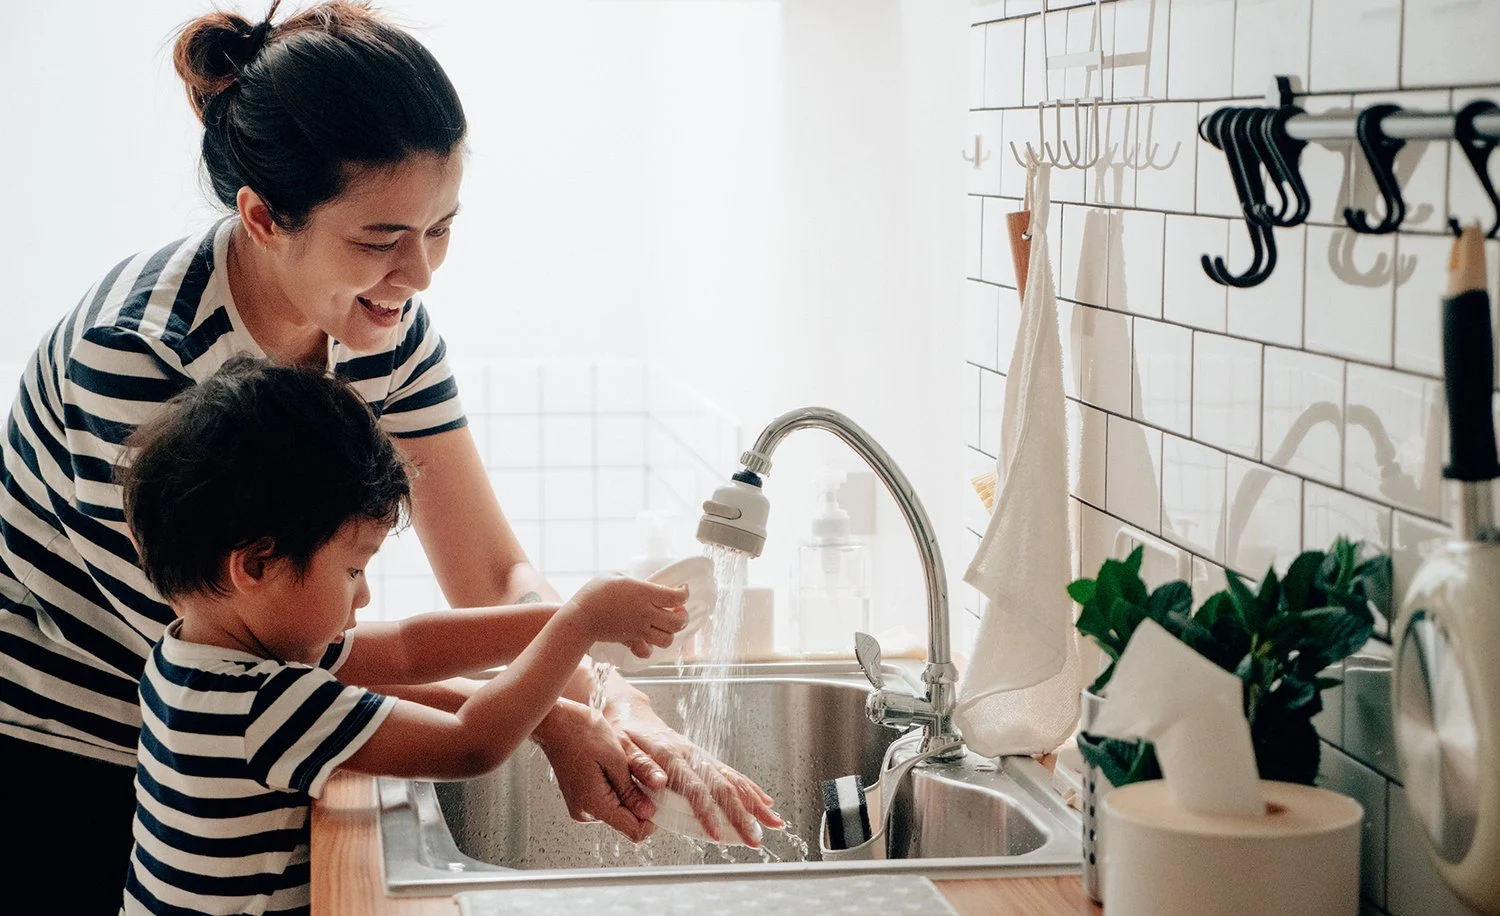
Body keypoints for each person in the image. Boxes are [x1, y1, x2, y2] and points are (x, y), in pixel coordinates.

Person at [0, 2, 777, 909]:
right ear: (261, 216)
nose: (420, 275)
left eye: (441, 228)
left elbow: (488, 571)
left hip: (235, 745)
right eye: (381, 239)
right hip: (68, 751)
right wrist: (554, 712)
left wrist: (611, 694)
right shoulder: (139, 355)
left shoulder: (382, 325)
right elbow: (265, 651)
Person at [118, 357, 696, 914]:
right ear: (257, 565)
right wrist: (582, 623)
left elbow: (406, 649)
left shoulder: (195, 655)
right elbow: (470, 743)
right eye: (352, 569)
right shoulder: (264, 705)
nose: (363, 596)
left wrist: (565, 618)